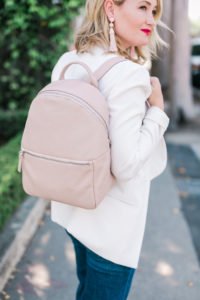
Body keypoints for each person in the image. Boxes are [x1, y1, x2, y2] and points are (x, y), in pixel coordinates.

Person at [51, 0, 170, 299]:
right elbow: (126, 166)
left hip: (73, 209)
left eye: (154, 11)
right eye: (142, 7)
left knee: (86, 289)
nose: (151, 19)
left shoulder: (68, 61)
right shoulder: (129, 75)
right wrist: (157, 111)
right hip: (111, 228)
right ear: (110, 9)